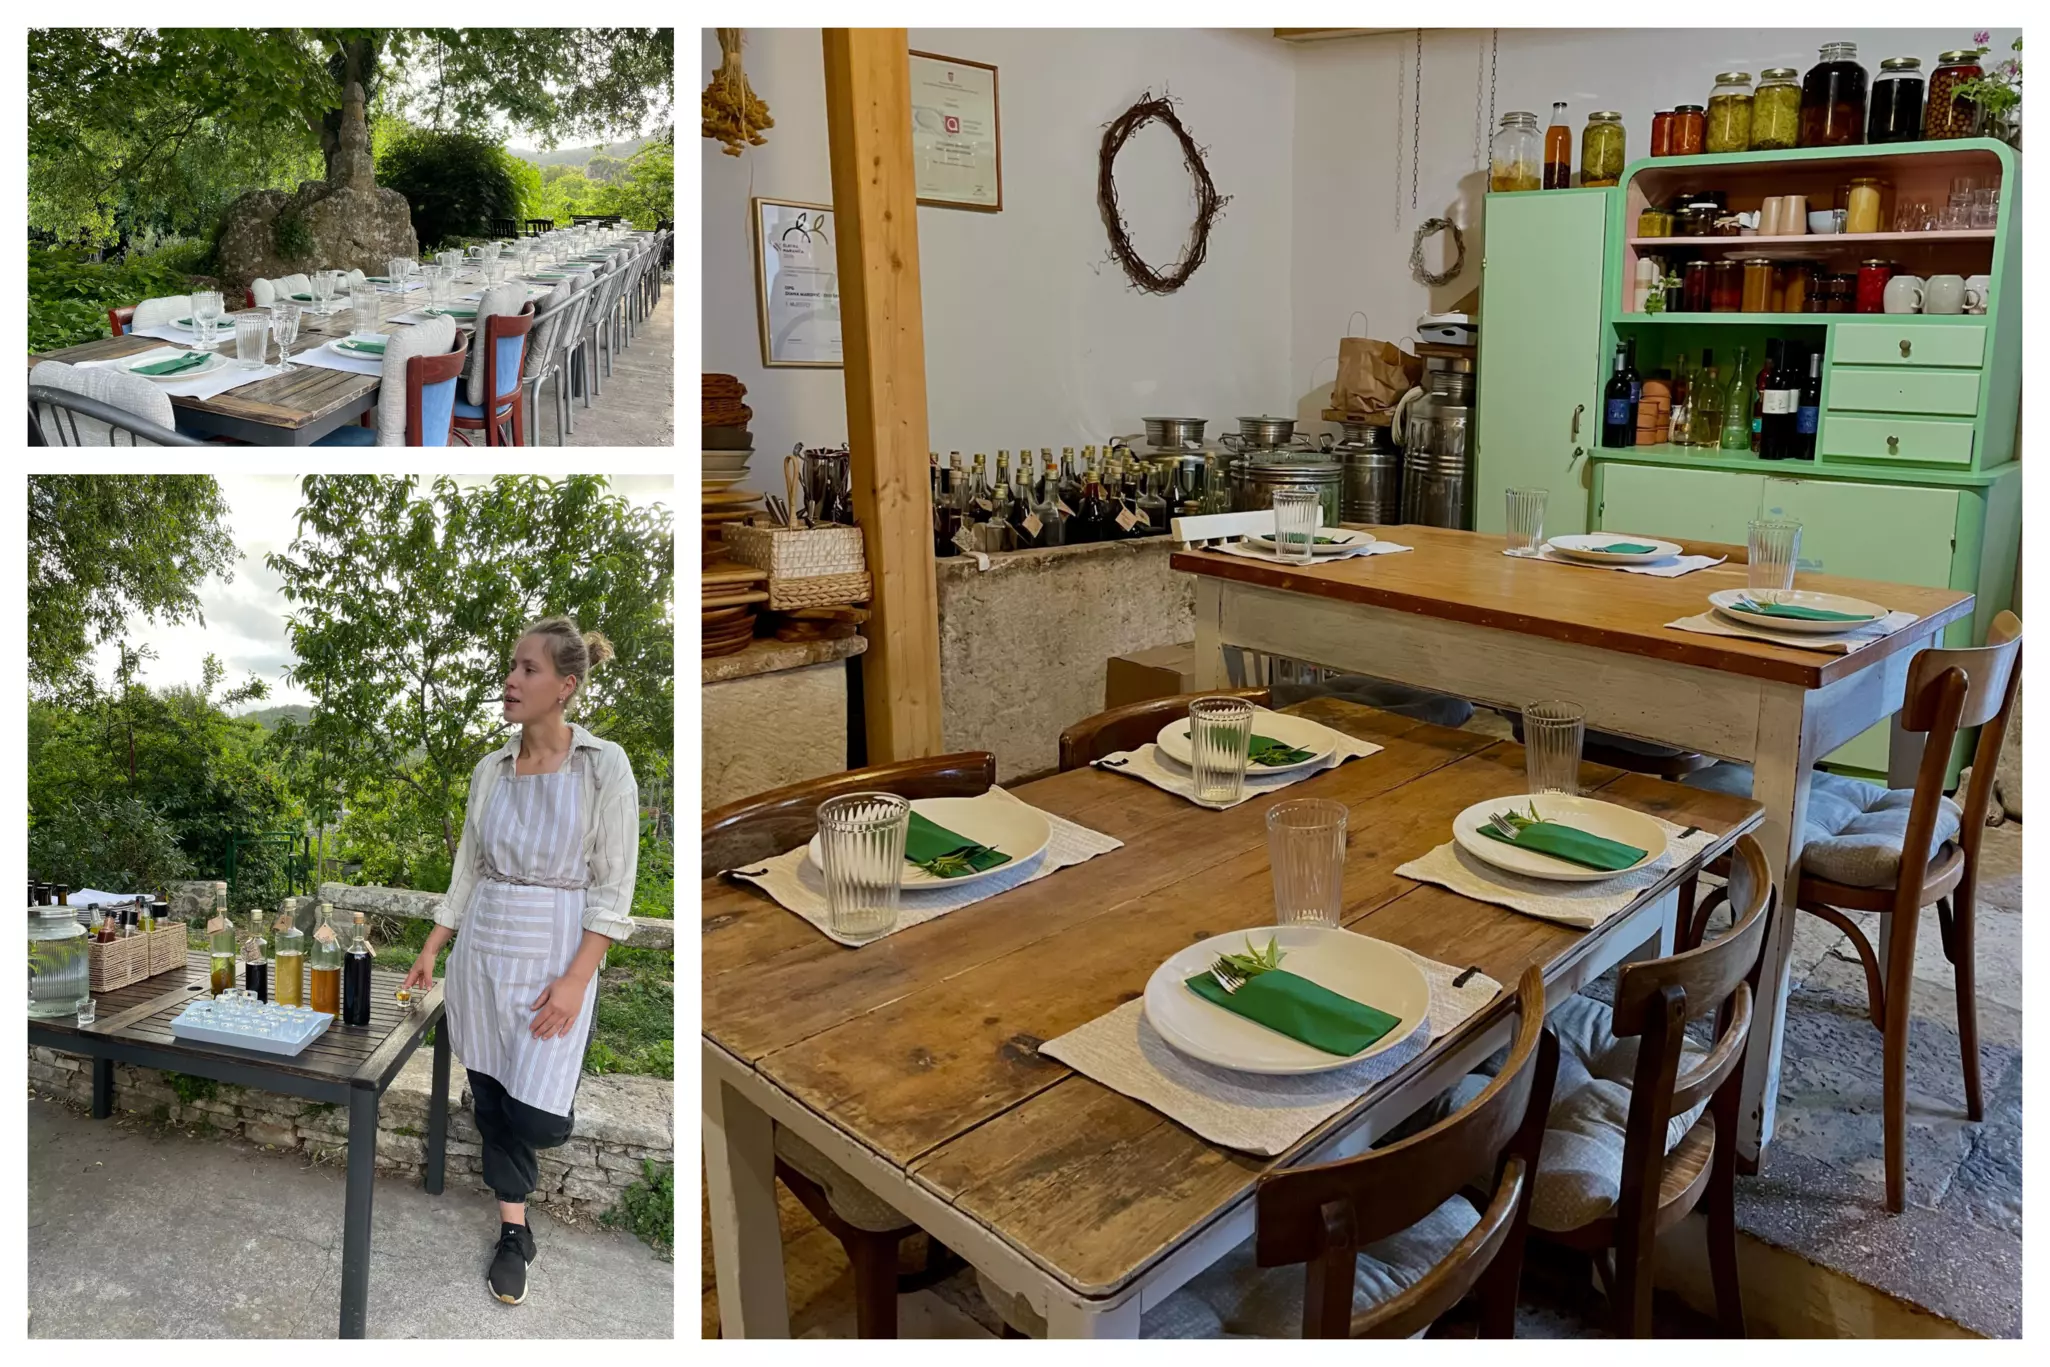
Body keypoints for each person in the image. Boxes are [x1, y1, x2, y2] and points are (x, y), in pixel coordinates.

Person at [403, 616, 640, 1306]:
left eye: (528, 669)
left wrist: (575, 979)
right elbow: (467, 870)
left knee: (537, 1115)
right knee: (492, 1096)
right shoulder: (490, 769)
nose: (510, 680)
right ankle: (515, 1230)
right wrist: (432, 946)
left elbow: (614, 886)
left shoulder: (604, 765)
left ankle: (520, 1183)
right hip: (484, 948)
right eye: (511, 666)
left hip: (555, 952)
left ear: (565, 686)